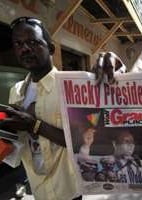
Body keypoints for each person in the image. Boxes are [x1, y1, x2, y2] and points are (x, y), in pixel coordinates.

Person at [0, 16, 123, 200]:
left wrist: (113, 67)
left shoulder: (75, 86)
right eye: (18, 44)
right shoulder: (16, 91)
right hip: (38, 189)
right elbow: (17, 145)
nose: (25, 48)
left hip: (69, 191)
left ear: (51, 48)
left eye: (33, 42)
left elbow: (87, 140)